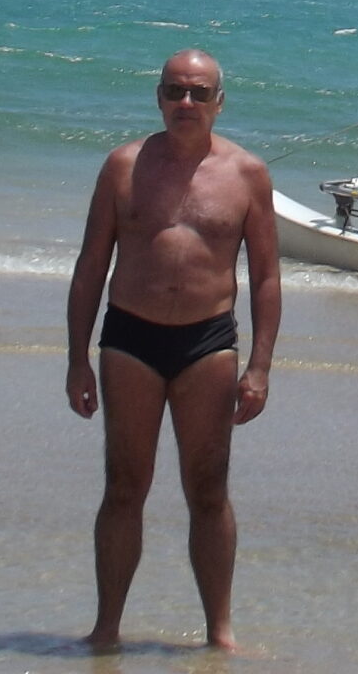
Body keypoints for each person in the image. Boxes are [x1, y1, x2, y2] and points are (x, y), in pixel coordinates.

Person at [65, 49, 281, 654]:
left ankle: (220, 632)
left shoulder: (247, 175)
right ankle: (106, 630)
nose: (185, 103)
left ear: (219, 101)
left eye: (198, 93)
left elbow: (266, 277)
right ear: (158, 97)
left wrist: (260, 366)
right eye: (174, 91)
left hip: (208, 342)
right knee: (124, 486)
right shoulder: (122, 166)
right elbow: (90, 267)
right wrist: (77, 357)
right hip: (129, 336)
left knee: (208, 488)